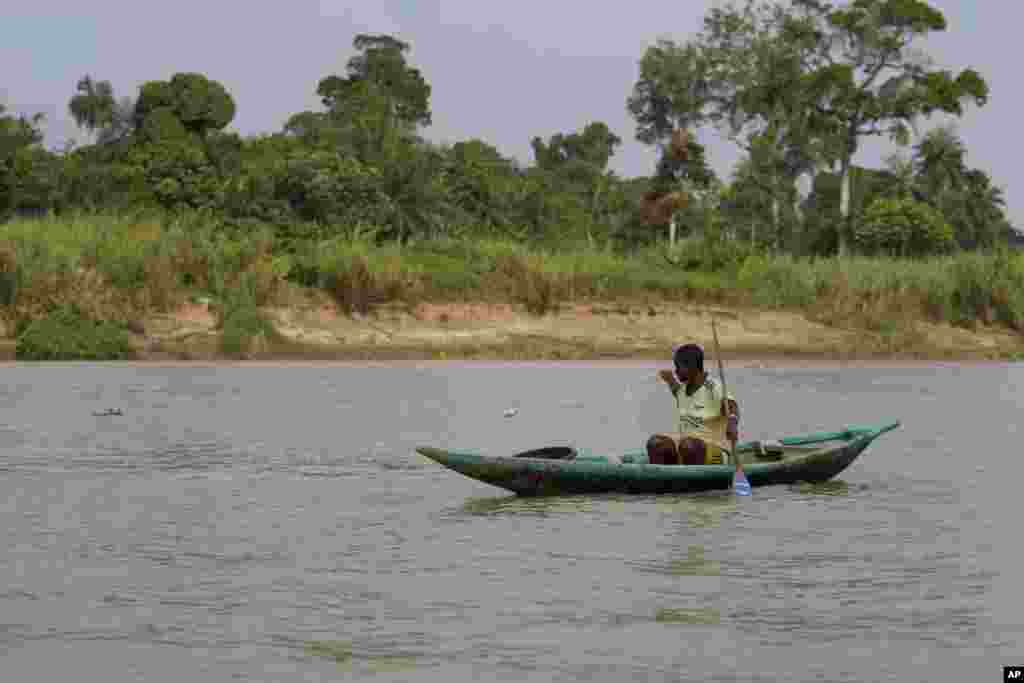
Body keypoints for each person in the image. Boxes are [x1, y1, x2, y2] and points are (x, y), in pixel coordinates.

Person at [646, 343, 740, 465]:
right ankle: (664, 475)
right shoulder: (683, 389)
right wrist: (670, 380)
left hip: (713, 448)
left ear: (692, 367)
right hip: (685, 446)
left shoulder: (713, 387)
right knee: (655, 443)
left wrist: (732, 423)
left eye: (679, 367)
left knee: (688, 446)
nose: (676, 371)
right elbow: (677, 392)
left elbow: (731, 406)